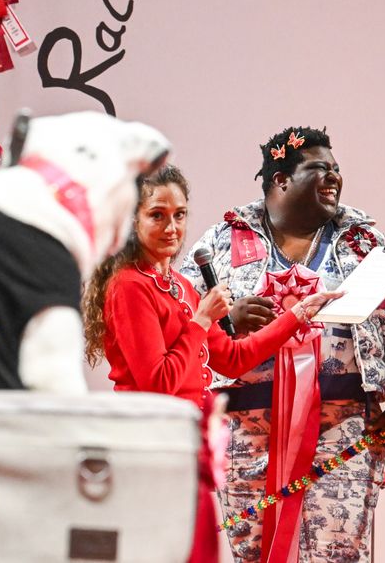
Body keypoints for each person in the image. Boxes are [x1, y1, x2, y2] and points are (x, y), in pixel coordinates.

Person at [179, 126, 385, 562]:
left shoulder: (364, 241)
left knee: (338, 549)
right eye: (320, 168)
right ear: (281, 180)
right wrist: (226, 318)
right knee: (254, 550)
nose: (334, 177)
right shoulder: (222, 239)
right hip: (247, 426)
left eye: (337, 169)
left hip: (345, 425)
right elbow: (183, 315)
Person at [82, 164, 340, 563]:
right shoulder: (129, 286)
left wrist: (298, 315)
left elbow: (234, 359)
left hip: (187, 447)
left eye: (180, 214)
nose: (172, 227)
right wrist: (201, 320)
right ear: (131, 220)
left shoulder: (181, 286)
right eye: (157, 215)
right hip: (151, 444)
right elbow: (158, 383)